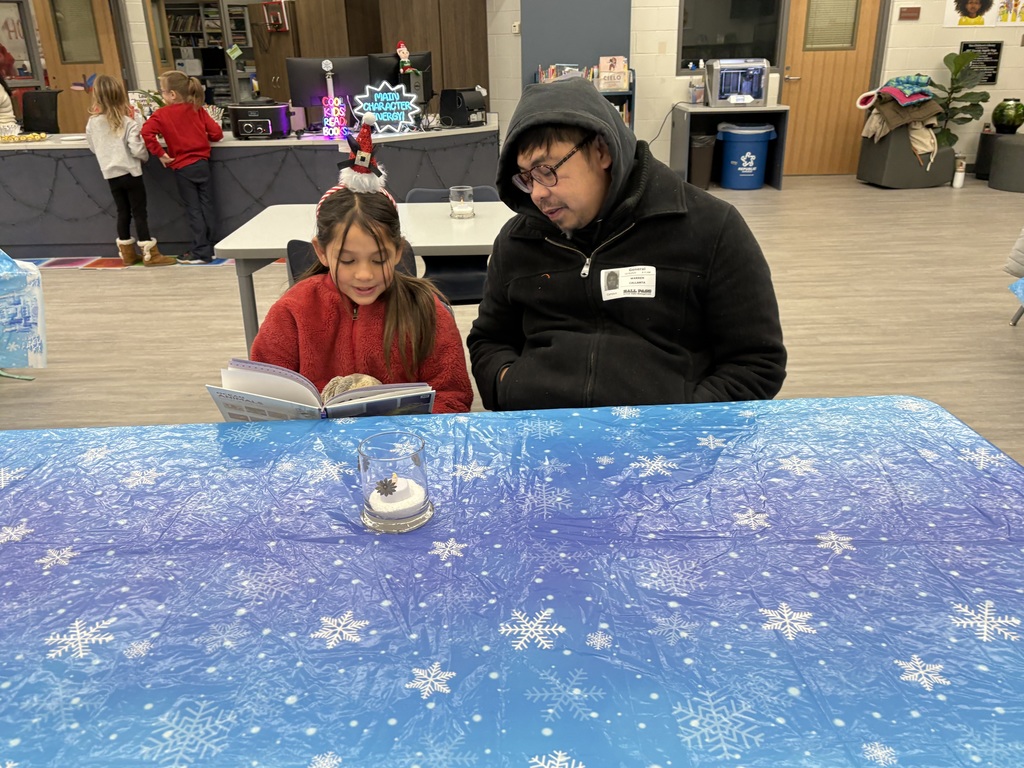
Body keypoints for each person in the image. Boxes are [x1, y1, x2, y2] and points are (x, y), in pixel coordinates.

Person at [467, 77, 786, 411]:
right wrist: (508, 385)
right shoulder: (517, 241)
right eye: (527, 177)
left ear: (602, 151)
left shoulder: (712, 228)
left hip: (666, 442)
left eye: (547, 170)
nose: (537, 193)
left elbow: (757, 361)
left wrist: (687, 417)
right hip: (543, 435)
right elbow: (489, 339)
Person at [249, 115, 473, 414]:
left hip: (397, 453)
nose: (365, 274)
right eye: (347, 260)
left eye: (379, 259)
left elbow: (453, 395)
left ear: (397, 252)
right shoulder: (293, 311)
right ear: (321, 252)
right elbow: (261, 393)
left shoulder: (426, 311)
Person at [85, 75, 175, 267]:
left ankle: (127, 253)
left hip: (111, 175)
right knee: (139, 212)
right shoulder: (128, 122)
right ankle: (150, 253)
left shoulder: (93, 123)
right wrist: (143, 158)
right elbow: (137, 149)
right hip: (132, 174)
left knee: (122, 211)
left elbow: (93, 147)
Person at [142, 70, 223, 264]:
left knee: (193, 210)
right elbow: (217, 133)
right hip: (202, 164)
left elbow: (146, 132)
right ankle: (211, 246)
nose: (161, 95)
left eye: (162, 91)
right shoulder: (197, 109)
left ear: (172, 94)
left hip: (183, 167)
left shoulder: (162, 114)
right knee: (207, 207)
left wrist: (160, 153)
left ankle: (200, 251)